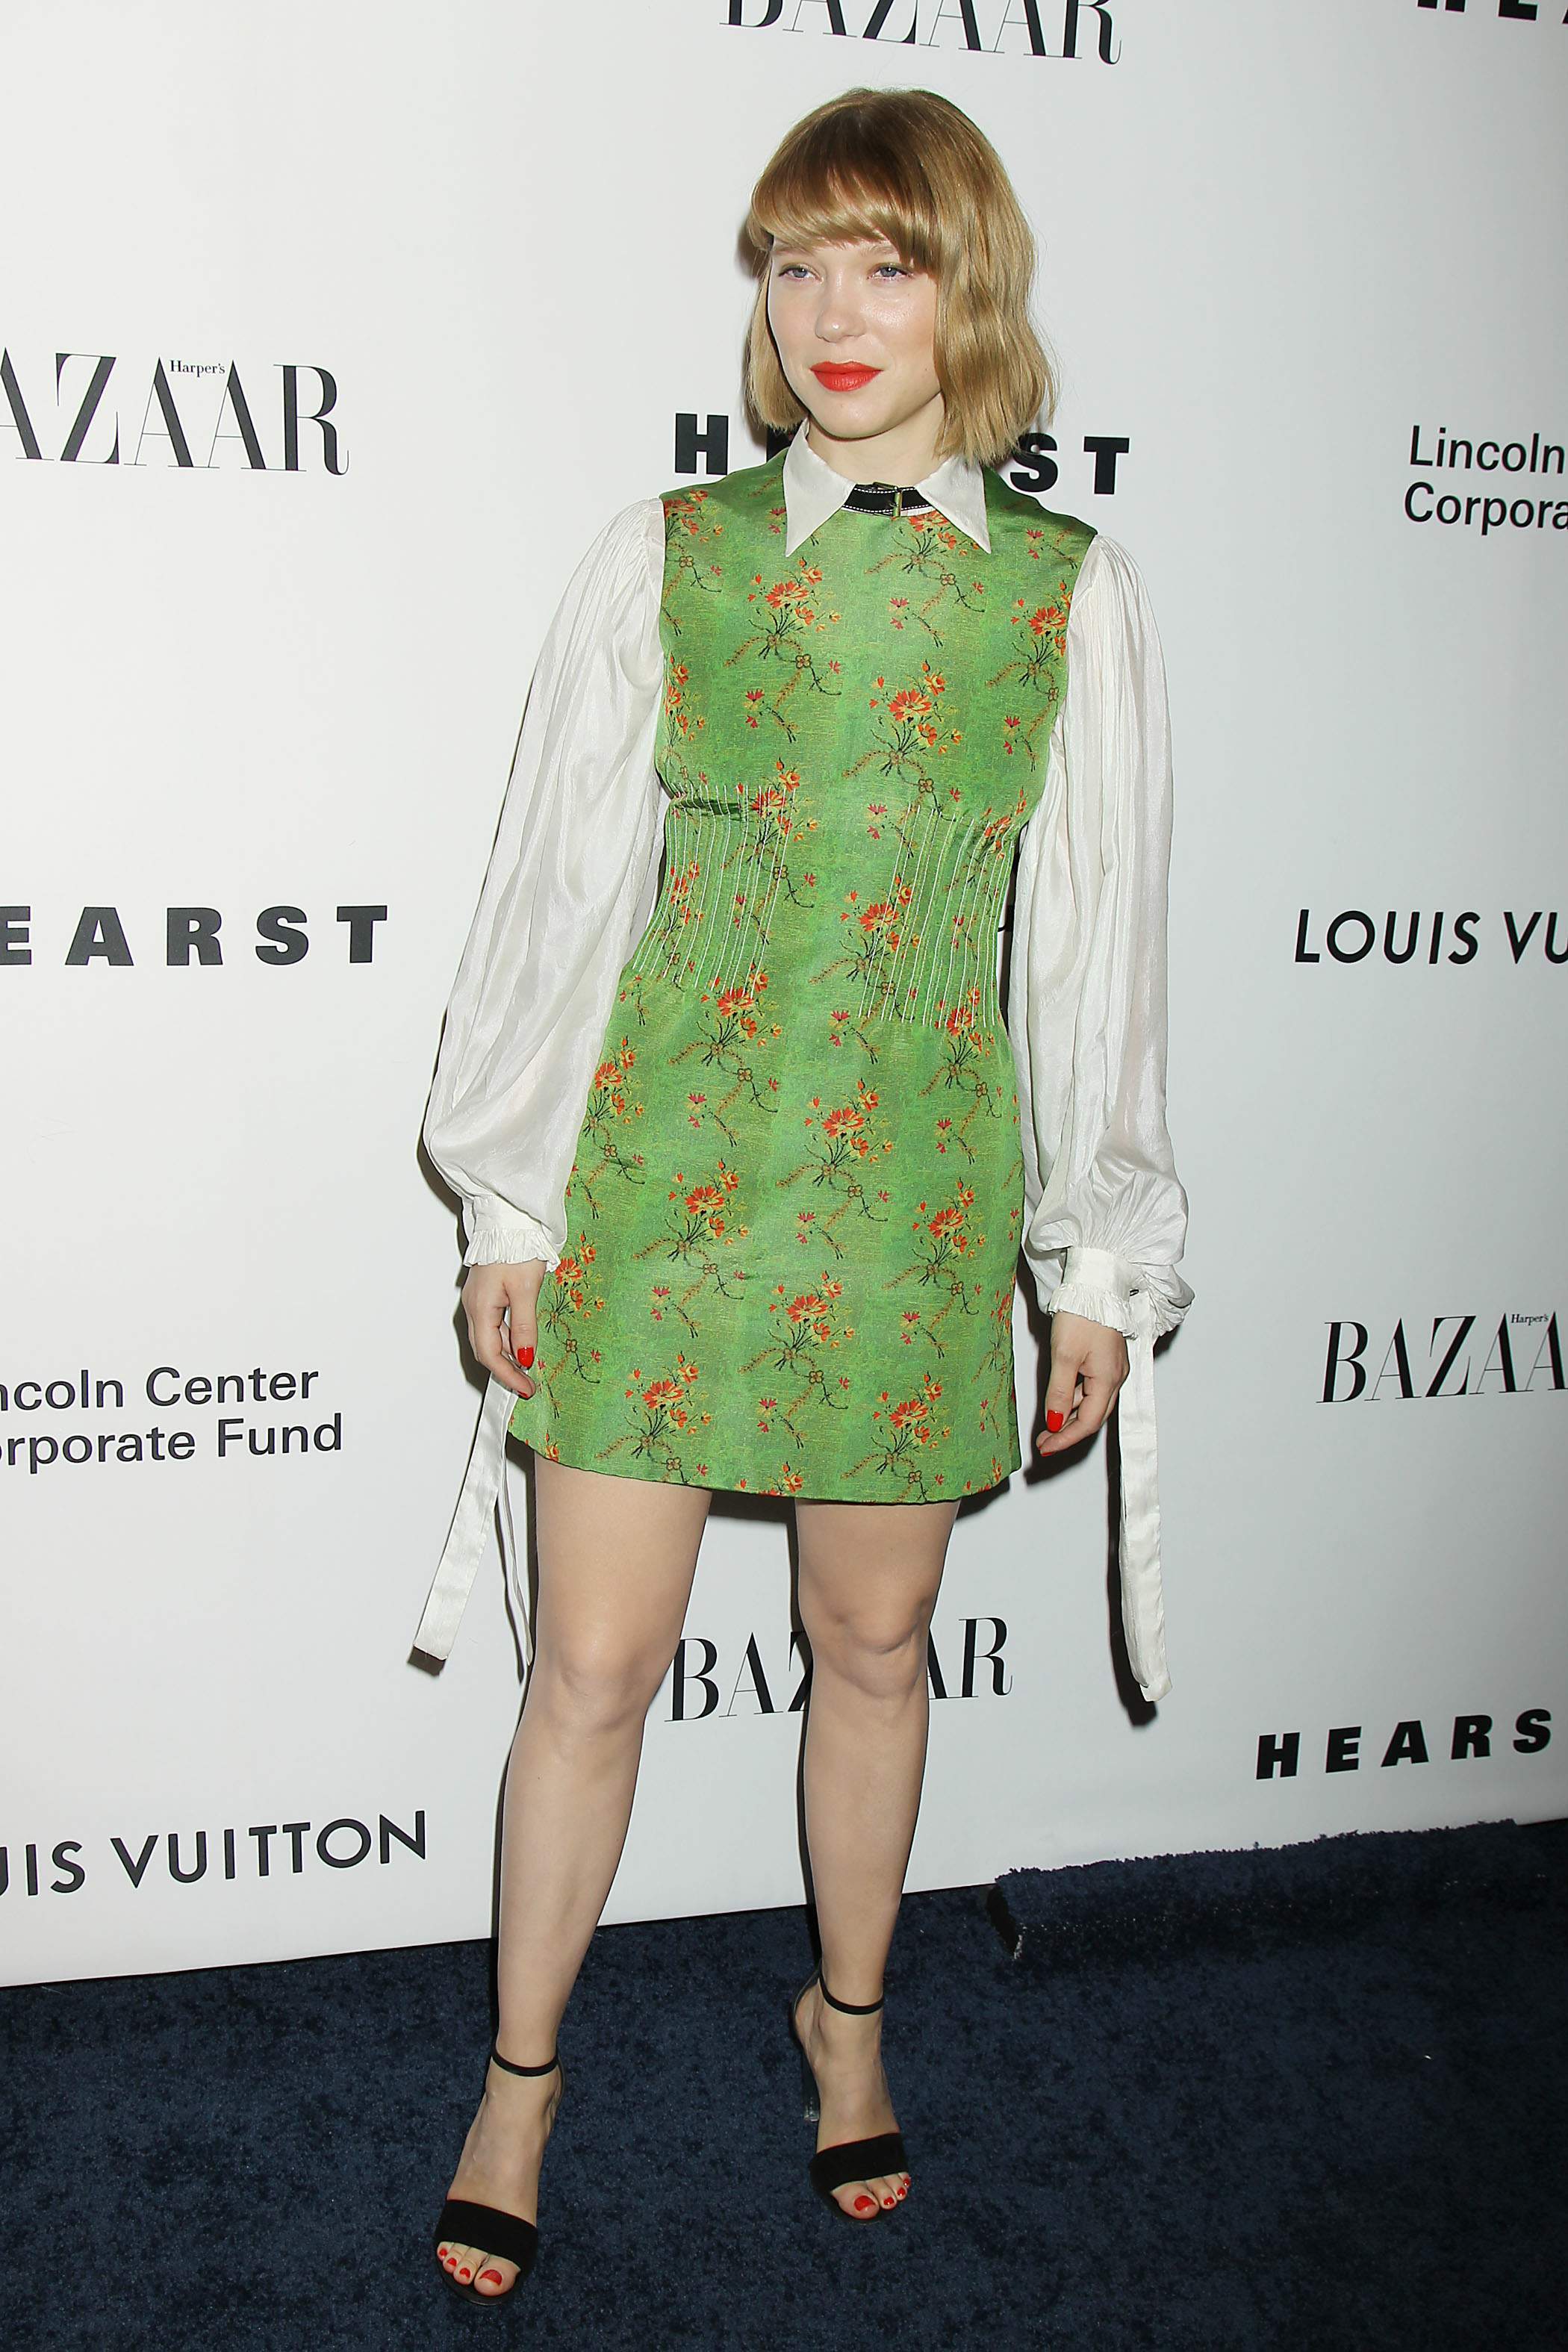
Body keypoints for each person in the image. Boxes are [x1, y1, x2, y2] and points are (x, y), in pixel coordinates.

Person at [413, 84, 1193, 2305]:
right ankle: (518, 2084)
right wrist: (511, 1209)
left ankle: (847, 2026)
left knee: (871, 1642)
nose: (831, 312)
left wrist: (1098, 1255)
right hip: (656, 1187)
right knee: (591, 1666)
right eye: (792, 262)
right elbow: (555, 902)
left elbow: (1098, 949)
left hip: (914, 1201)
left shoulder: (1066, 595)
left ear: (971, 290)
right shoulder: (663, 556)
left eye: (885, 261)